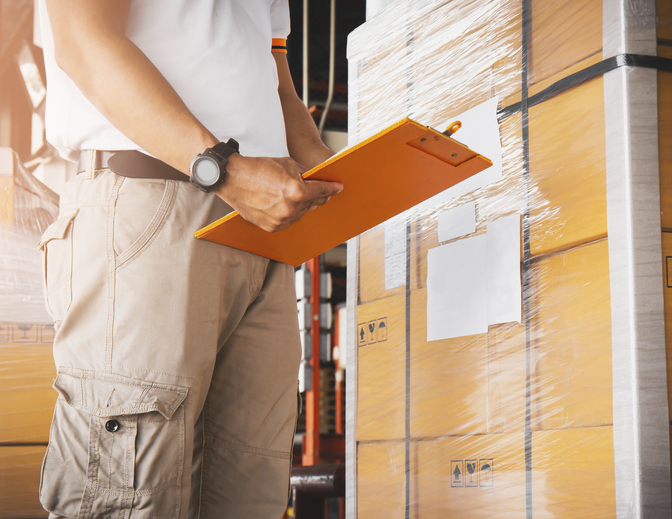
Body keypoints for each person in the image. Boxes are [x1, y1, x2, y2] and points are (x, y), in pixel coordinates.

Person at [36, 0, 343, 517]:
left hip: (260, 230)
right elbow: (82, 39)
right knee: (127, 491)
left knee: (248, 487)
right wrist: (222, 170)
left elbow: (278, 86)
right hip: (150, 200)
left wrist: (343, 177)